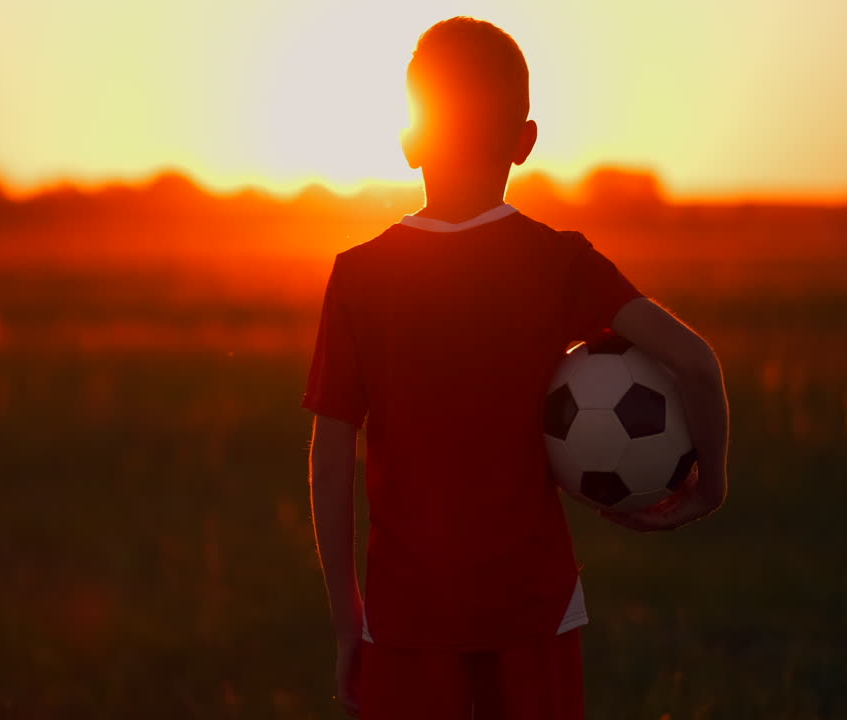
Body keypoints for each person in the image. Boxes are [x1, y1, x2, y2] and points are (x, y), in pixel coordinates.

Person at [301, 16, 730, 720]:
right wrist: (708, 486)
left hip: (407, 617)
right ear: (525, 141)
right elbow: (696, 362)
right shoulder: (559, 263)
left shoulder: (357, 276)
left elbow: (330, 461)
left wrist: (350, 619)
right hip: (536, 609)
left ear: (410, 142)